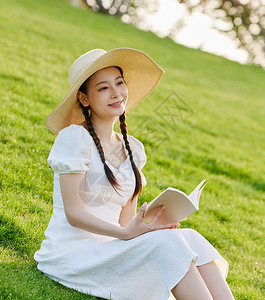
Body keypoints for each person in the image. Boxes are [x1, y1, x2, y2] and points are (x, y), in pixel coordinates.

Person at [34, 48, 234, 300]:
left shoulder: (133, 149)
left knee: (188, 237)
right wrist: (126, 234)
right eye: (103, 88)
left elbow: (126, 221)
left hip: (112, 245)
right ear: (84, 99)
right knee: (170, 245)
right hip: (74, 252)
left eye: (119, 83)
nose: (116, 93)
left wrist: (148, 227)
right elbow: (74, 214)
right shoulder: (74, 138)